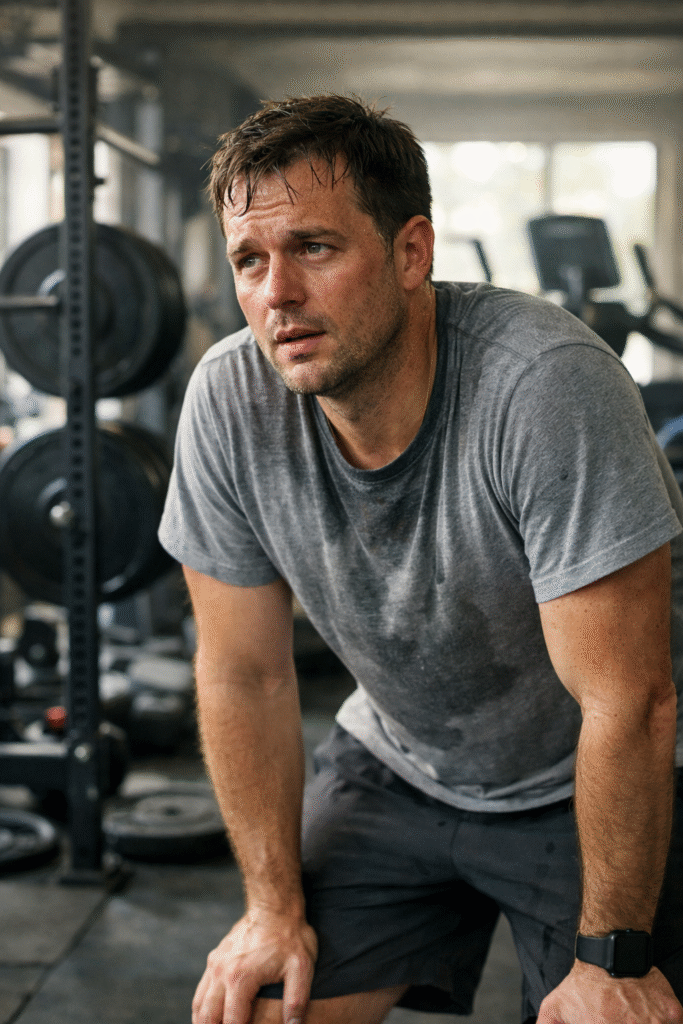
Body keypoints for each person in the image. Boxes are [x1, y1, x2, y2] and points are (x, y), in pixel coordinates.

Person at [158, 95, 683, 1024]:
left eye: (313, 248)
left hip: (583, 784)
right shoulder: (229, 400)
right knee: (265, 1005)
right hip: (399, 763)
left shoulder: (545, 386)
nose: (275, 294)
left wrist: (613, 957)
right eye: (250, 259)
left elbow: (627, 701)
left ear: (411, 253)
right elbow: (243, 675)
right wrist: (269, 911)